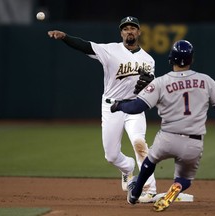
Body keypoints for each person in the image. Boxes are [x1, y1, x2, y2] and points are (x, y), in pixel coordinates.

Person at [110, 40, 215, 211]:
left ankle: (135, 194)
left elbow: (136, 107)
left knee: (150, 161)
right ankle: (177, 187)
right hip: (193, 142)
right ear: (191, 59)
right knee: (185, 179)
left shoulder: (161, 82)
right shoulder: (206, 81)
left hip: (168, 138)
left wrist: (119, 105)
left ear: (171, 59)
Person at [47, 16, 157, 202]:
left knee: (140, 144)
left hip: (134, 106)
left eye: (133, 28)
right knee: (111, 155)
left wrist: (150, 84)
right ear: (121, 32)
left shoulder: (148, 59)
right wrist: (65, 37)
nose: (129, 31)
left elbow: (151, 88)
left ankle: (150, 190)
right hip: (112, 106)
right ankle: (127, 168)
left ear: (138, 32)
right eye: (125, 28)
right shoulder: (110, 50)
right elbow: (85, 46)